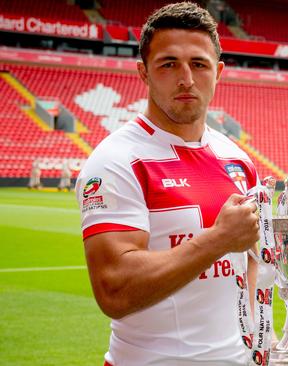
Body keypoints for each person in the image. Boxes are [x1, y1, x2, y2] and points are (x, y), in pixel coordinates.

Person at [75, 3, 260, 365]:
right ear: (144, 72)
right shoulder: (115, 160)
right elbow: (114, 289)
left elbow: (249, 262)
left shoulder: (237, 159)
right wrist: (218, 239)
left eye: (199, 64)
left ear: (218, 72)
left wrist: (254, 338)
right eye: (169, 63)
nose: (187, 78)